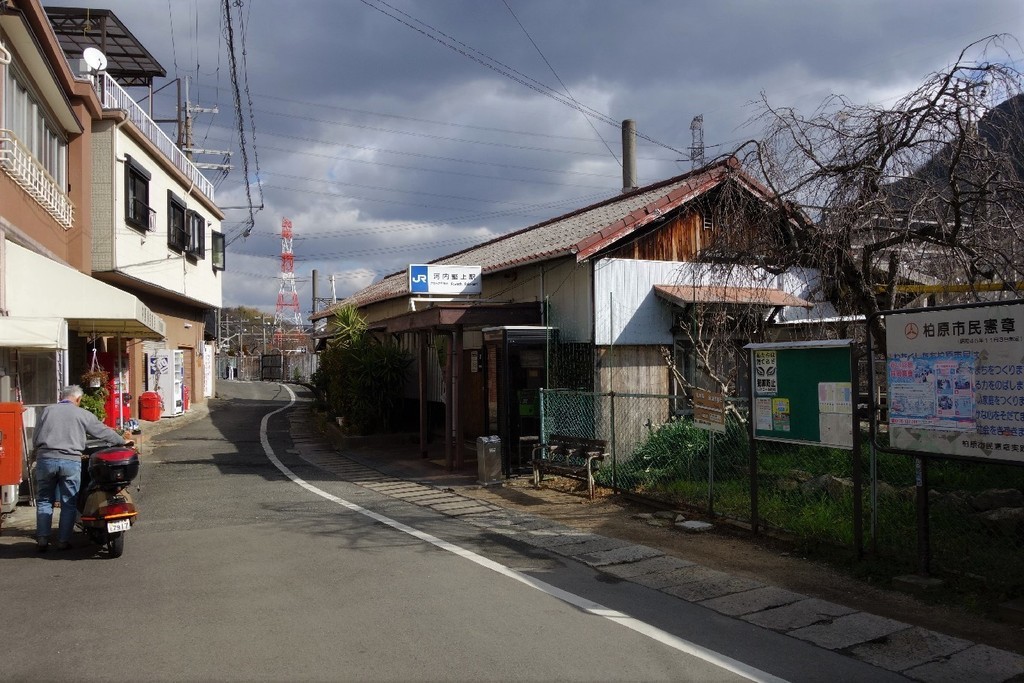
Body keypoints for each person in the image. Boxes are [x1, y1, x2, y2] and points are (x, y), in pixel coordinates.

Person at [32, 385, 132, 552]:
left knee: (44, 500)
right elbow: (102, 431)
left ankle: (42, 540)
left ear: (61, 397)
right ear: (78, 399)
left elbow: (36, 437)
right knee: (68, 502)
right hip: (70, 460)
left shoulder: (47, 411)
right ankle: (63, 541)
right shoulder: (82, 414)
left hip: (46, 459)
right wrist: (122, 441)